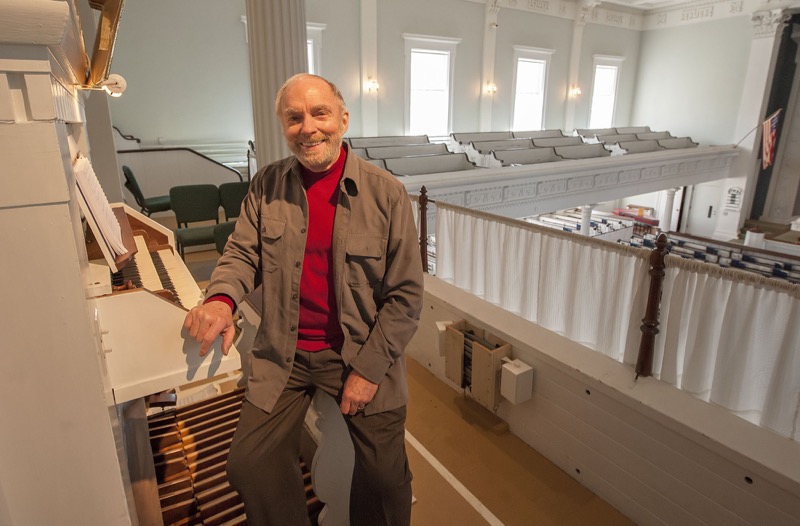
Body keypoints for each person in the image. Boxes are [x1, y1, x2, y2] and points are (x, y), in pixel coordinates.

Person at [183, 73, 424, 526]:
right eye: (294, 118)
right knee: (248, 465)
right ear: (283, 126)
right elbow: (241, 253)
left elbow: (406, 297)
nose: (308, 127)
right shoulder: (267, 185)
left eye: (320, 113)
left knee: (387, 478)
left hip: (358, 353)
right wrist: (220, 300)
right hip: (284, 353)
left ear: (343, 119)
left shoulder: (386, 193)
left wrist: (369, 371)